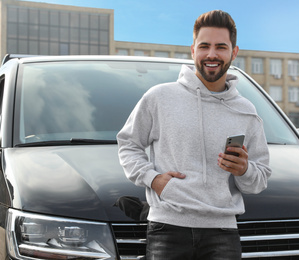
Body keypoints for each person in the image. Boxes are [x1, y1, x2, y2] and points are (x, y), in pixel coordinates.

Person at [116, 9, 271, 260]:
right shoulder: (159, 97)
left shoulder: (246, 111)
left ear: (234, 52)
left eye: (221, 47)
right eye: (204, 46)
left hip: (223, 231)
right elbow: (127, 144)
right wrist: (152, 178)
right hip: (168, 227)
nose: (212, 54)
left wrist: (244, 170)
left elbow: (259, 179)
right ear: (193, 50)